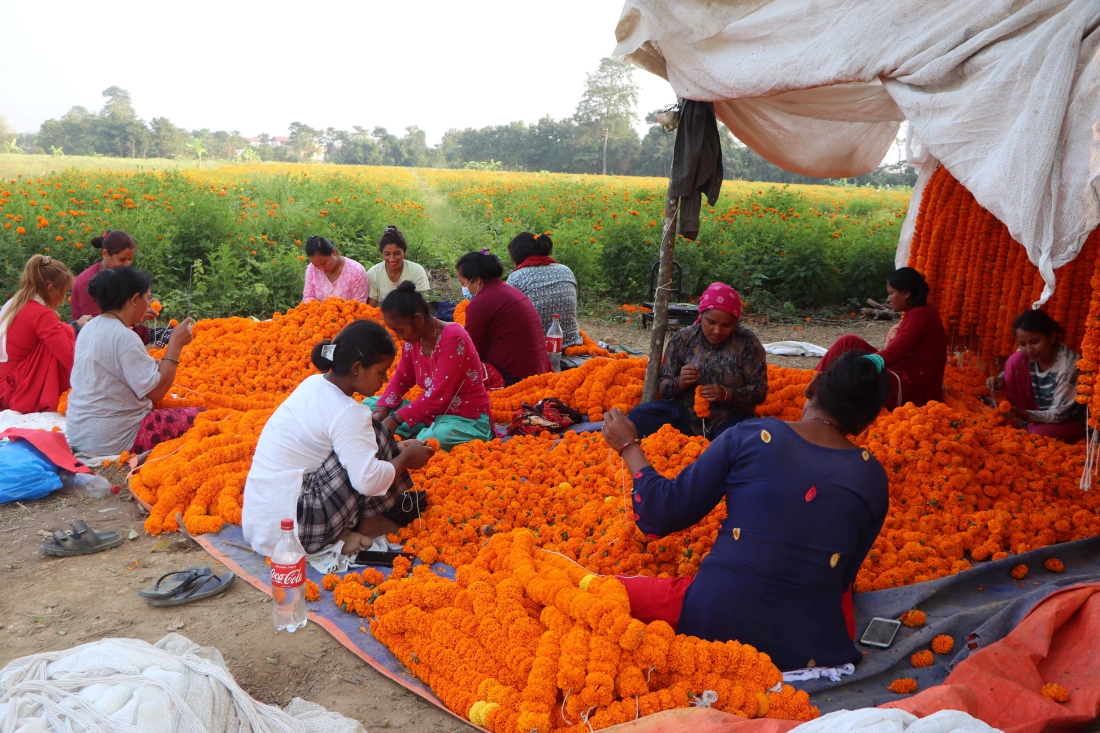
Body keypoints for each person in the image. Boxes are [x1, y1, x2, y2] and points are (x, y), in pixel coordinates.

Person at [601, 349, 890, 671]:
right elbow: (842, 578)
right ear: (866, 422)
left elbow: (664, 510)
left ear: (812, 386)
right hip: (809, 643)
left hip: (716, 617)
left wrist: (629, 446)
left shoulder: (750, 436)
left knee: (600, 591)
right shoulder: (872, 476)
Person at [242, 320, 436, 557]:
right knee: (374, 434)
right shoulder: (348, 413)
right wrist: (405, 458)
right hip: (295, 531)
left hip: (263, 524)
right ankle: (372, 524)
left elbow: (347, 446)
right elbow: (368, 481)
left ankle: (354, 528)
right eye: (381, 371)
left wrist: (395, 447)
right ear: (356, 369)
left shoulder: (313, 383)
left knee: (372, 436)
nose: (385, 380)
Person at [66, 266, 197, 456]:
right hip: (114, 439)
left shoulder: (90, 326)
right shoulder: (123, 336)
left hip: (80, 433)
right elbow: (157, 392)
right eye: (148, 297)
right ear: (135, 299)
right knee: (204, 418)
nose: (150, 303)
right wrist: (175, 344)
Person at [627, 282, 767, 440]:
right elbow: (664, 387)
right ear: (701, 316)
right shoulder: (684, 338)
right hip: (684, 415)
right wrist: (680, 382)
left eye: (727, 325)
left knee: (744, 438)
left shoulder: (747, 343)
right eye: (711, 322)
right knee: (640, 415)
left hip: (730, 417)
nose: (717, 331)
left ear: (736, 322)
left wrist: (727, 393)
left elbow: (760, 391)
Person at [371, 282, 494, 449]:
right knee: (369, 406)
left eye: (400, 330)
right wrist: (381, 410)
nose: (399, 337)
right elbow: (402, 379)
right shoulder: (413, 341)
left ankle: (416, 438)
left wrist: (395, 419)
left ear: (418, 319)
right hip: (431, 414)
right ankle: (416, 434)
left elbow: (438, 396)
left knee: (435, 437)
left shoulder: (453, 336)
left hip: (466, 418)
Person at [817, 267, 947, 408]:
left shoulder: (920, 315)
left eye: (891, 293)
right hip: (901, 374)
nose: (888, 299)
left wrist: (855, 364)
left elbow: (892, 355)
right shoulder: (915, 313)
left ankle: (815, 385)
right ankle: (813, 379)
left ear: (906, 293)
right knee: (849, 341)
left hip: (916, 390)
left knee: (855, 373)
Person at [986, 310, 1086, 443]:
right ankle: (1023, 422)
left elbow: (1058, 415)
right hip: (1036, 411)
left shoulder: (1068, 366)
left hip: (1068, 421)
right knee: (1016, 358)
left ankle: (1026, 423)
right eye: (1022, 344)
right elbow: (1012, 373)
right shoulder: (1028, 354)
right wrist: (999, 380)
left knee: (1038, 433)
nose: (1029, 349)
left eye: (1034, 342)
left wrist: (1023, 413)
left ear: (1052, 337)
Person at [456, 250, 549, 385]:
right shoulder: (508, 291)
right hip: (539, 367)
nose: (464, 288)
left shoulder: (480, 304)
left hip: (514, 374)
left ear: (476, 280)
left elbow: (471, 349)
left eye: (464, 283)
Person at [0, 256, 76, 413]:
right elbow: (69, 356)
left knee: (61, 330)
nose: (64, 299)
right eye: (64, 291)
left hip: (5, 384)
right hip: (11, 390)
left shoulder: (15, 302)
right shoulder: (42, 314)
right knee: (64, 331)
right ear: (50, 289)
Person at [70, 230, 155, 343]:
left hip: (118, 331)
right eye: (122, 259)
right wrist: (136, 315)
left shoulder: (117, 274)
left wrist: (145, 302)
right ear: (105, 254)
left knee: (168, 335)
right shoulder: (88, 282)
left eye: (130, 259)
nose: (127, 264)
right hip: (95, 341)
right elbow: (96, 325)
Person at [505, 232, 581, 348]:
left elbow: (506, 316)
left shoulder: (517, 276)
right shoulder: (566, 270)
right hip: (571, 342)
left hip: (535, 348)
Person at [366, 225, 430, 306]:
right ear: (382, 254)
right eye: (387, 254)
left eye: (397, 253)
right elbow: (371, 307)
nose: (392, 259)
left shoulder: (416, 270)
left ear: (405, 252)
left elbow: (418, 306)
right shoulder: (373, 274)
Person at [301, 235, 368, 303]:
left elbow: (358, 305)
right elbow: (308, 296)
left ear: (334, 252)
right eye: (316, 265)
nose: (321, 268)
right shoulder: (312, 269)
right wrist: (320, 310)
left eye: (324, 263)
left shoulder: (357, 272)